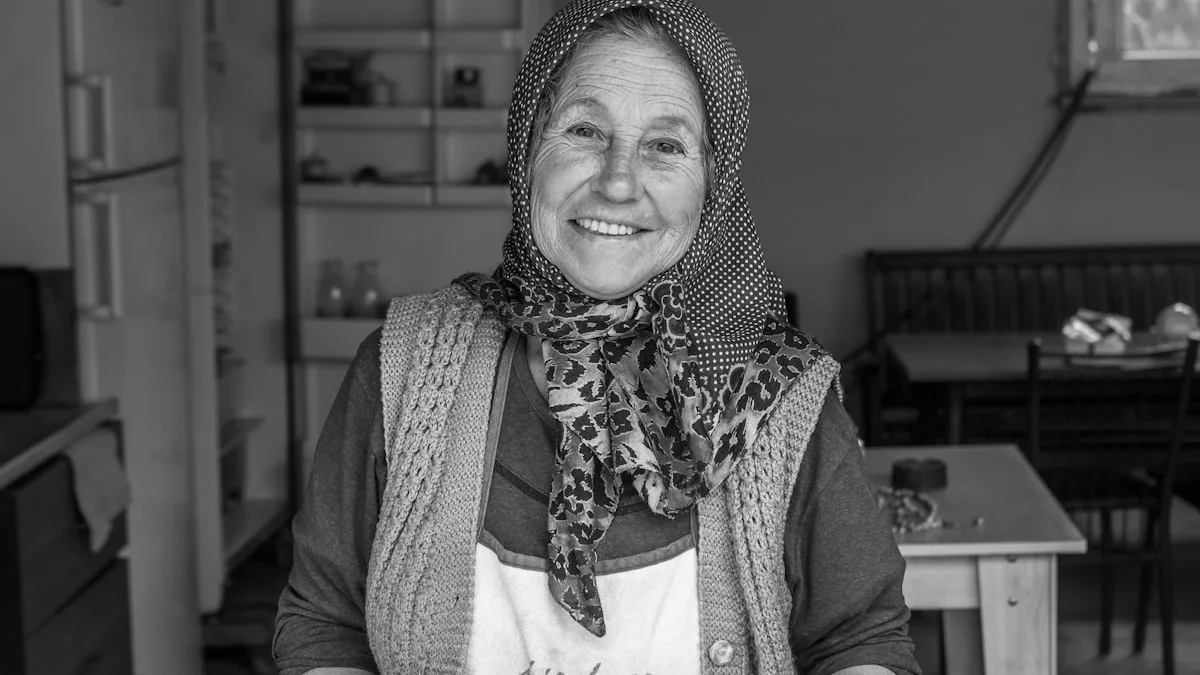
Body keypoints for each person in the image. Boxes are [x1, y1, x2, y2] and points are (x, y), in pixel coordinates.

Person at [273, 1, 920, 673]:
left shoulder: (785, 403)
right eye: (584, 130)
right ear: (528, 151)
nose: (617, 180)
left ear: (713, 184)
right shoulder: (403, 366)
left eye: (665, 145)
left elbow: (859, 639)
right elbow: (325, 621)